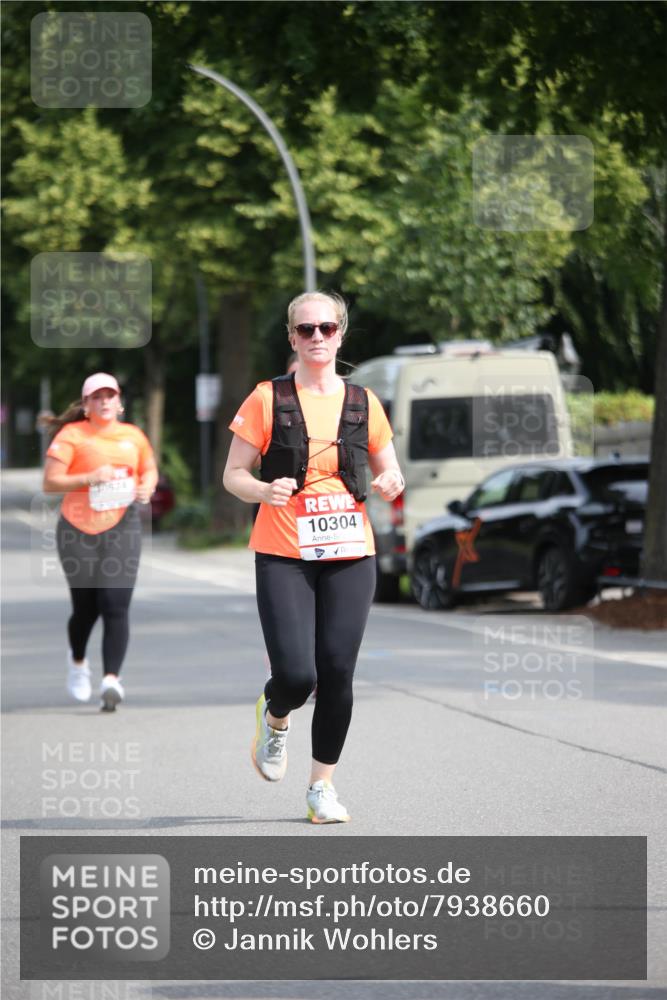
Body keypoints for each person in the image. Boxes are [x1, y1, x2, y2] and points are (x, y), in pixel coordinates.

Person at [223, 292, 404, 823]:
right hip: (284, 550)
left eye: (327, 328)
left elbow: (389, 470)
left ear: (341, 335)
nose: (317, 337)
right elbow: (233, 475)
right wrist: (262, 491)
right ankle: (274, 716)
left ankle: (321, 788)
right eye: (306, 330)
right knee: (298, 675)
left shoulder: (364, 402)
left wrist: (393, 481)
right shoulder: (266, 398)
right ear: (292, 338)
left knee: (338, 671)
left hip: (350, 550)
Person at [42, 373, 158, 711]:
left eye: (110, 395)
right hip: (77, 529)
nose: (104, 401)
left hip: (122, 526)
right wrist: (88, 478)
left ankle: (111, 679)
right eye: (96, 397)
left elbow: (148, 470)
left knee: (115, 603)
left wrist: (146, 487)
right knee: (85, 608)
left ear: (119, 402)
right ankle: (78, 661)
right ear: (86, 404)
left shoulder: (133, 436)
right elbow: (50, 482)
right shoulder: (71, 435)